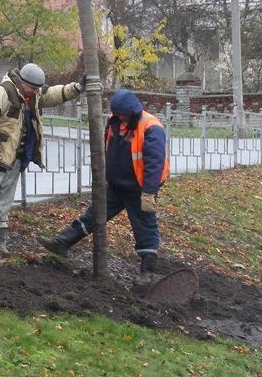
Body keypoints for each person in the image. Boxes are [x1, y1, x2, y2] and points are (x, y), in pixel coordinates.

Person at [37, 90, 169, 287]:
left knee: (145, 228)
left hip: (139, 189)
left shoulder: (151, 126)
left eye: (123, 115)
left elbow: (155, 163)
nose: (120, 117)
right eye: (117, 114)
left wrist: (149, 192)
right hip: (116, 186)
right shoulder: (114, 121)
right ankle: (62, 242)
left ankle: (147, 274)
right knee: (93, 215)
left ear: (132, 112)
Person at [0, 63, 83, 255]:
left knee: (3, 202)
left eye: (38, 89)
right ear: (21, 82)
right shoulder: (2, 92)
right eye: (33, 88)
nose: (36, 92)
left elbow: (52, 94)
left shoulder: (33, 94)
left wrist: (76, 88)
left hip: (15, 158)